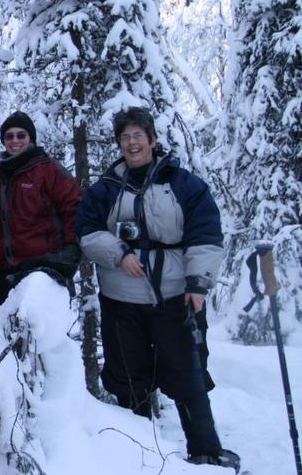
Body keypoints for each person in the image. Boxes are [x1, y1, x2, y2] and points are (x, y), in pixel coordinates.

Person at [75, 107, 239, 471]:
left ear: (151, 140)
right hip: (121, 301)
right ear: (119, 144)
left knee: (187, 374)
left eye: (138, 136)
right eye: (124, 137)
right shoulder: (107, 188)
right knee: (128, 378)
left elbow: (205, 233)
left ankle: (205, 450)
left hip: (175, 298)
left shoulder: (184, 184)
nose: (132, 143)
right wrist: (118, 253)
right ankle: (137, 454)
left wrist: (198, 283)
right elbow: (86, 230)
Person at [0, 111, 82, 303]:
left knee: (44, 329)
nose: (15, 140)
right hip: (4, 270)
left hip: (45, 268)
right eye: (9, 136)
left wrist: (71, 250)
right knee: (12, 330)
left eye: (21, 135)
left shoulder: (49, 171)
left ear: (31, 138)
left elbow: (75, 209)